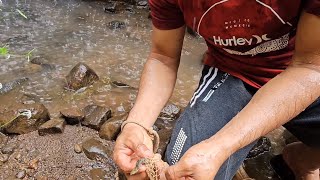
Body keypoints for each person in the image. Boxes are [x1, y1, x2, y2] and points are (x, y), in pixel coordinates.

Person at [113, 0, 320, 179]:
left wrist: (220, 147)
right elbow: (163, 58)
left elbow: (310, 67)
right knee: (182, 166)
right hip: (234, 75)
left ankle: (306, 159)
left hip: (304, 72)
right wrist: (136, 125)